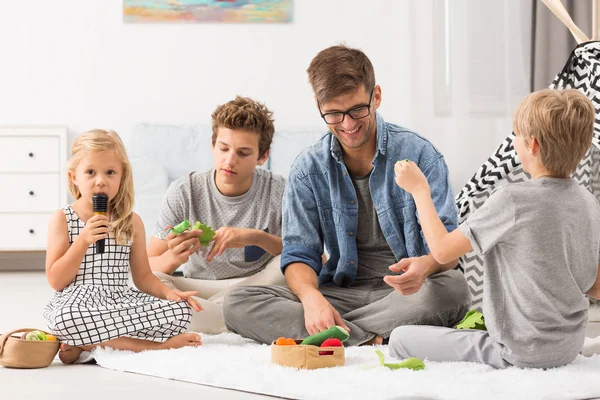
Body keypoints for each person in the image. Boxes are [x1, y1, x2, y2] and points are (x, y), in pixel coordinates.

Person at [223, 45, 471, 346]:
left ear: (375, 96)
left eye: (357, 110)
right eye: (334, 114)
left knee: (454, 289)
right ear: (318, 106)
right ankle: (376, 336)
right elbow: (300, 253)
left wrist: (427, 266)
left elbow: (448, 253)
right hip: (341, 293)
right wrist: (312, 298)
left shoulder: (421, 155)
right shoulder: (307, 169)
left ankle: (335, 336)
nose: (348, 125)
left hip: (408, 293)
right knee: (238, 302)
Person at [390, 88, 600, 369]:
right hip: (568, 346)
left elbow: (441, 250)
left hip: (519, 352)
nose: (514, 143)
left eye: (517, 136)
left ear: (533, 145)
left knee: (400, 339)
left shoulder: (512, 200)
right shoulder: (587, 201)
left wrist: (419, 190)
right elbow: (591, 284)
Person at [44, 129, 202, 365]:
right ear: (74, 177)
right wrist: (82, 241)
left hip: (119, 299)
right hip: (77, 302)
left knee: (180, 313)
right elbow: (56, 281)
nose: (101, 181)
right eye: (90, 172)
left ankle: (85, 342)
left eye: (110, 172)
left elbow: (143, 277)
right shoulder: (63, 218)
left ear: (122, 176)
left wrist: (170, 294)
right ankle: (157, 348)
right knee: (64, 319)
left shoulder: (131, 222)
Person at [148, 96, 286, 334]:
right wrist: (174, 257)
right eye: (223, 148)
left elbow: (316, 259)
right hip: (197, 289)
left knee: (291, 264)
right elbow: (148, 267)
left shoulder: (281, 191)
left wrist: (256, 238)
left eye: (243, 153)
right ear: (213, 145)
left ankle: (210, 320)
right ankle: (240, 321)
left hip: (255, 289)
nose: (229, 160)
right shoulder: (184, 191)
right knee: (139, 284)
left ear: (262, 157)